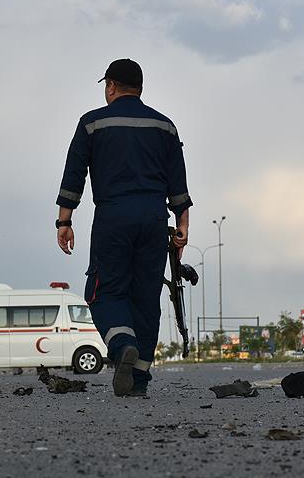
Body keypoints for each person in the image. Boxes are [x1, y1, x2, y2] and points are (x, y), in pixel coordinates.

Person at [55, 59, 192, 397]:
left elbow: (75, 172)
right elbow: (178, 183)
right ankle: (138, 379)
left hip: (113, 217)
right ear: (141, 88)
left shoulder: (92, 123)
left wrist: (64, 220)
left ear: (112, 86)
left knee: (104, 291)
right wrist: (182, 228)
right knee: (146, 296)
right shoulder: (165, 127)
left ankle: (123, 344)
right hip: (154, 218)